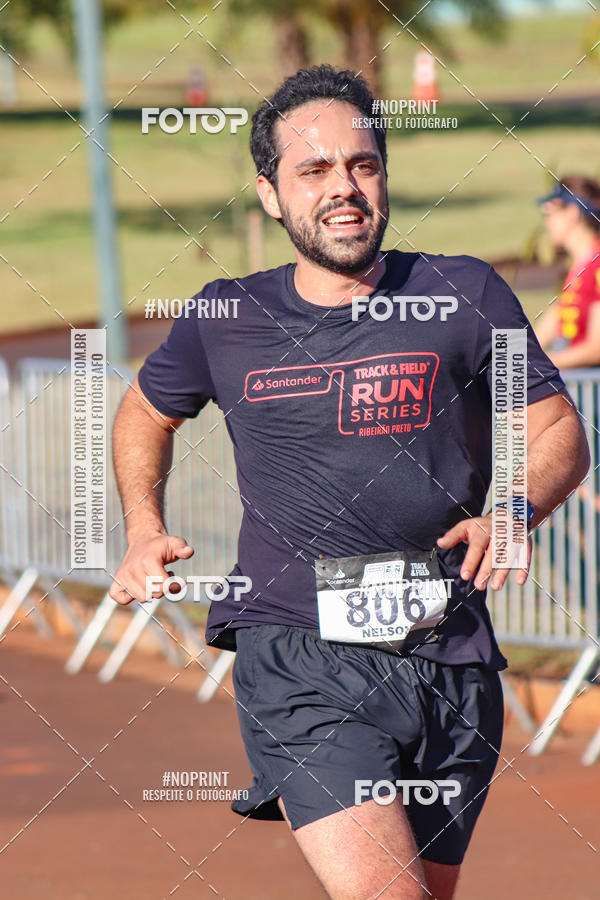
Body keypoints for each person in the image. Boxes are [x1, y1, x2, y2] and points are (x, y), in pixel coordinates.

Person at [109, 66, 589, 899]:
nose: (345, 189)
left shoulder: (462, 294)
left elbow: (556, 429)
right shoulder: (227, 316)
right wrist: (143, 528)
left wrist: (512, 507)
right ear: (269, 195)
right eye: (315, 170)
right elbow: (145, 413)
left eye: (362, 166)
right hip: (298, 654)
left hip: (449, 650)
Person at [535, 175, 600, 370]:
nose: (547, 223)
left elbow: (596, 348)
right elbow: (553, 321)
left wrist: (536, 365)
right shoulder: (580, 266)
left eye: (551, 213)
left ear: (572, 212)